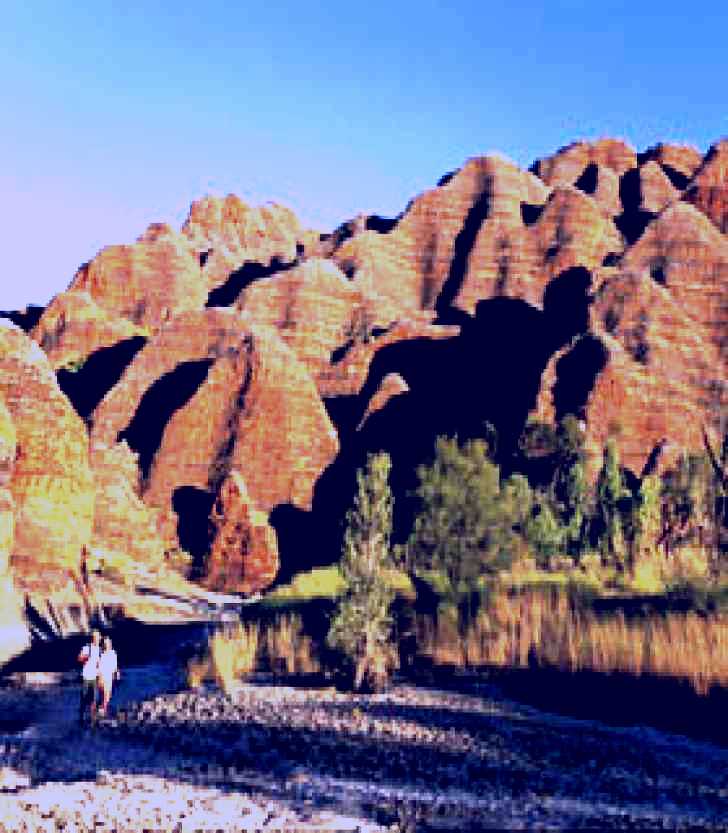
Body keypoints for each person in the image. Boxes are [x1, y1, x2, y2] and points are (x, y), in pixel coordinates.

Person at [78, 629, 101, 726]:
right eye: (95, 637)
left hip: (95, 677)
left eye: (98, 637)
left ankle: (93, 718)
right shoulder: (87, 648)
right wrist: (85, 658)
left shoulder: (99, 649)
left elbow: (100, 663)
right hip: (86, 676)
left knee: (95, 698)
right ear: (92, 638)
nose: (97, 639)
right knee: (84, 697)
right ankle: (81, 717)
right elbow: (79, 658)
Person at [97, 636, 120, 717]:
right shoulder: (100, 653)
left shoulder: (113, 653)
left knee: (107, 695)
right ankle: (102, 711)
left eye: (108, 643)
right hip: (102, 676)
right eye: (105, 643)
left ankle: (101, 709)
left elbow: (115, 664)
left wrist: (117, 673)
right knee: (104, 694)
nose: (107, 645)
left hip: (110, 676)